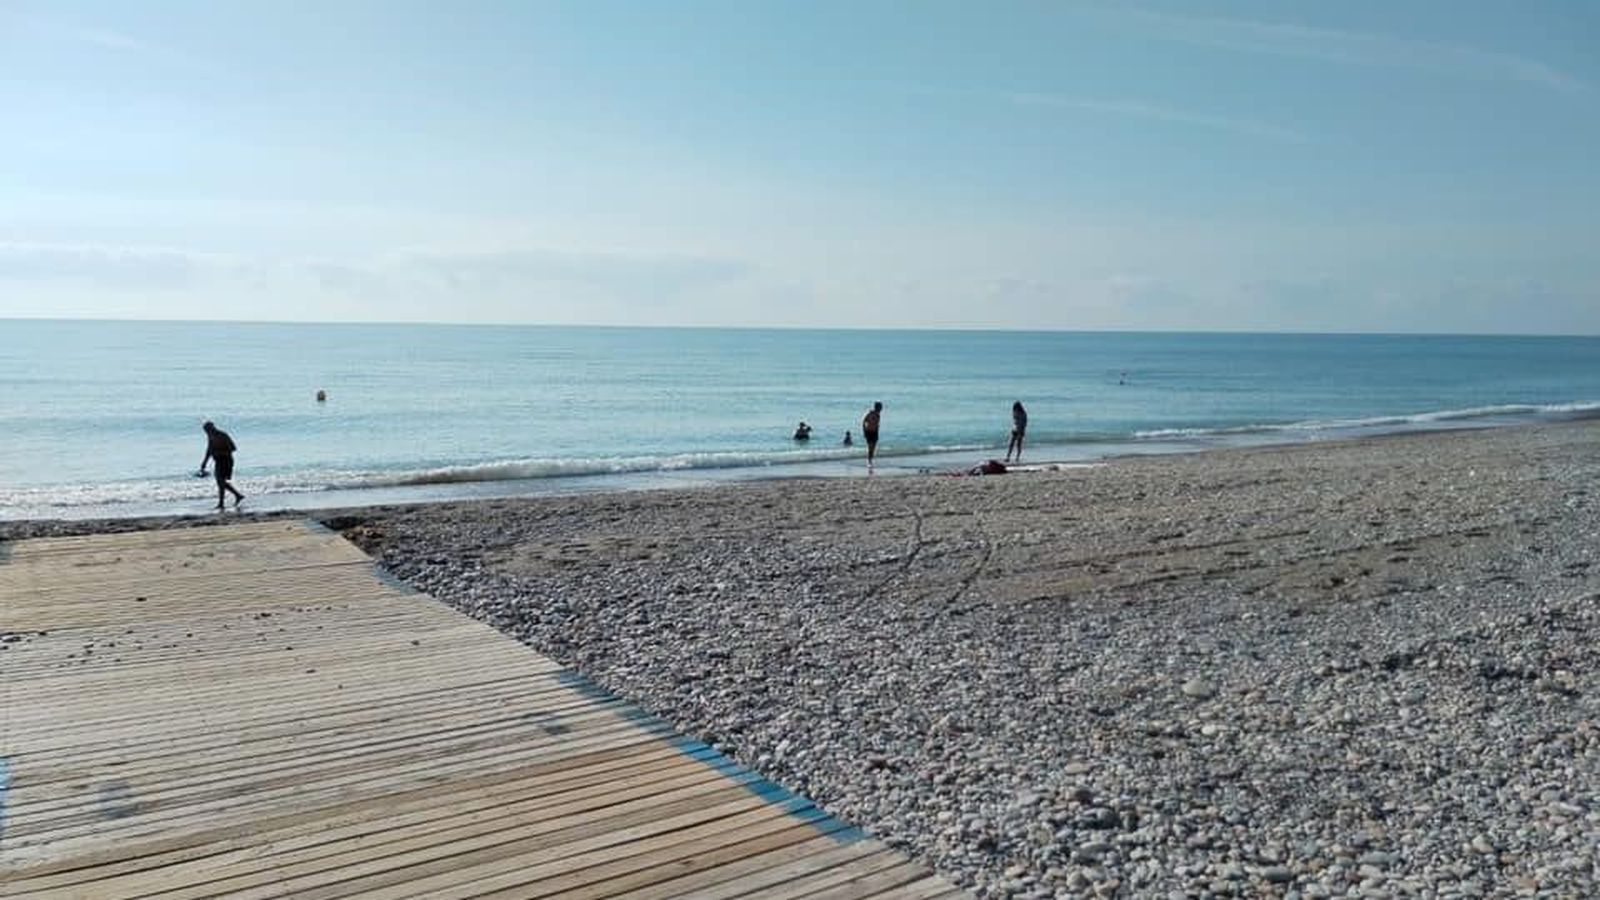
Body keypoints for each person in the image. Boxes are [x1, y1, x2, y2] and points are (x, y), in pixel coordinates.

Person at [199, 421, 244, 510]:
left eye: (208, 430)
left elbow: (232, 448)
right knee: (220, 482)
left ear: (212, 428)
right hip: (218, 461)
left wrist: (219, 452)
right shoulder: (210, 436)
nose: (207, 432)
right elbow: (209, 449)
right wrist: (204, 462)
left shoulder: (222, 435)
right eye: (205, 431)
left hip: (226, 460)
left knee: (220, 481)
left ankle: (222, 503)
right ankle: (237, 495)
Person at [862, 401, 882, 471]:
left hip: (875, 433)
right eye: (880, 407)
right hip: (869, 432)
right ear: (877, 407)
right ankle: (869, 461)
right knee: (870, 447)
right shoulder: (870, 413)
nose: (881, 409)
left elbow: (877, 425)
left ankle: (870, 461)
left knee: (873, 448)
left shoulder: (878, 415)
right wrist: (864, 431)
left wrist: (877, 433)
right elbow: (864, 421)